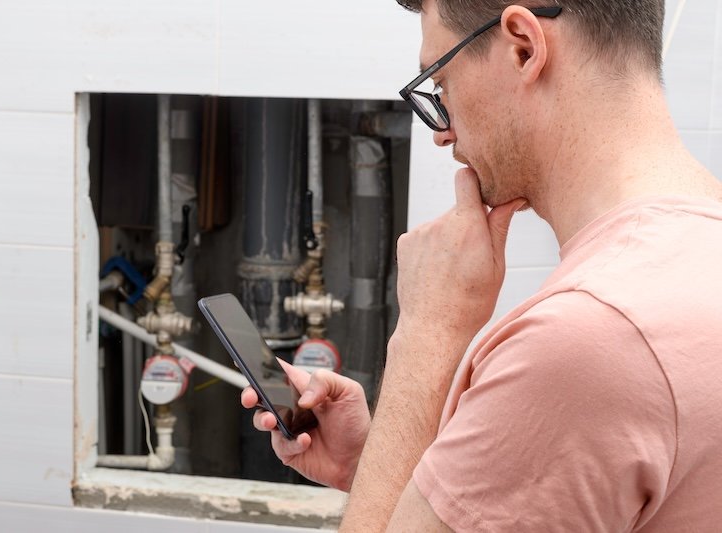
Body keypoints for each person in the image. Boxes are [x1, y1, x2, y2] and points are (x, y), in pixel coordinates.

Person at [242, 0, 722, 530]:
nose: (442, 132)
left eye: (440, 82)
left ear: (523, 47)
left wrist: (426, 334)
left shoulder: (587, 343)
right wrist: (375, 464)